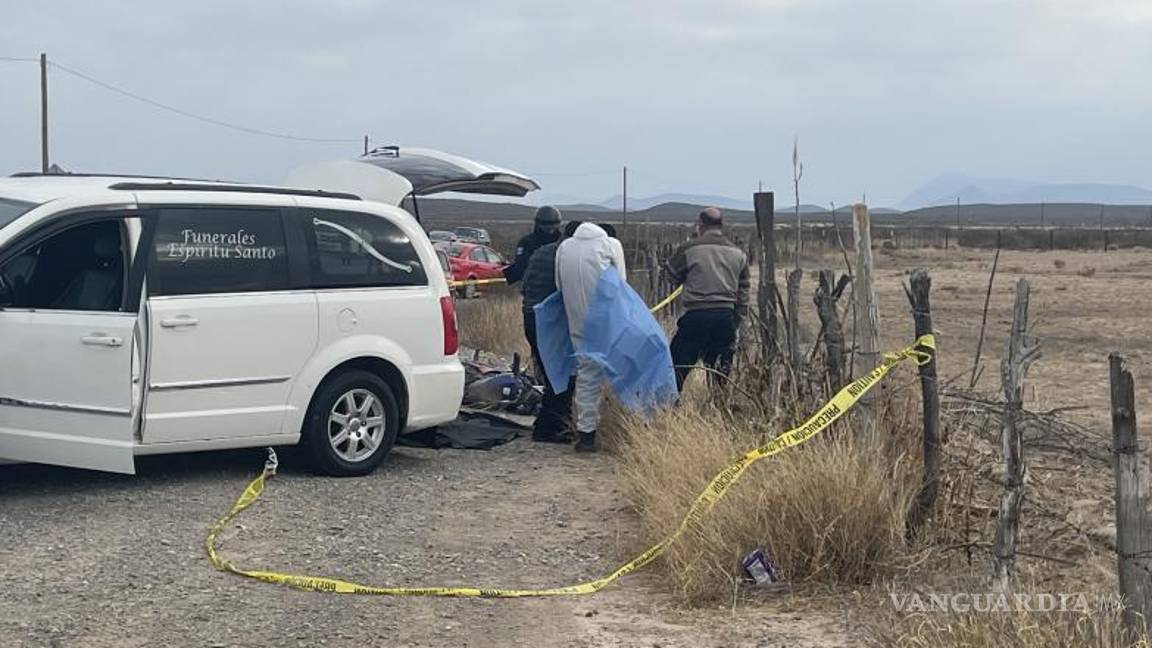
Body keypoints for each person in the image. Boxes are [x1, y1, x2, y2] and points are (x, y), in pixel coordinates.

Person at [554, 222, 627, 452]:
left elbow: (559, 285)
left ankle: (586, 435)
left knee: (586, 376)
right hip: (608, 321)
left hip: (576, 321)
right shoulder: (610, 245)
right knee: (624, 372)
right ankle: (627, 429)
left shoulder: (565, 248)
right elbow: (622, 284)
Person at [665, 207, 750, 391]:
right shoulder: (738, 253)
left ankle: (670, 404)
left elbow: (671, 276)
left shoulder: (689, 249)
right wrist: (736, 320)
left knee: (676, 369)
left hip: (696, 316)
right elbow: (744, 290)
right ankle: (719, 404)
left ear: (700, 224)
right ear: (721, 225)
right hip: (725, 317)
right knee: (720, 375)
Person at [519, 220, 582, 443]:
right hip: (548, 321)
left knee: (551, 374)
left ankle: (549, 423)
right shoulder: (567, 256)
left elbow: (524, 287)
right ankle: (551, 428)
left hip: (530, 317)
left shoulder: (542, 251)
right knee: (562, 375)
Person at [503, 206, 562, 285]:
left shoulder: (563, 243)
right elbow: (521, 266)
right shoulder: (528, 242)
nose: (550, 230)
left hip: (551, 284)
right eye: (547, 227)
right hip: (536, 284)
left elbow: (520, 267)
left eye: (552, 226)